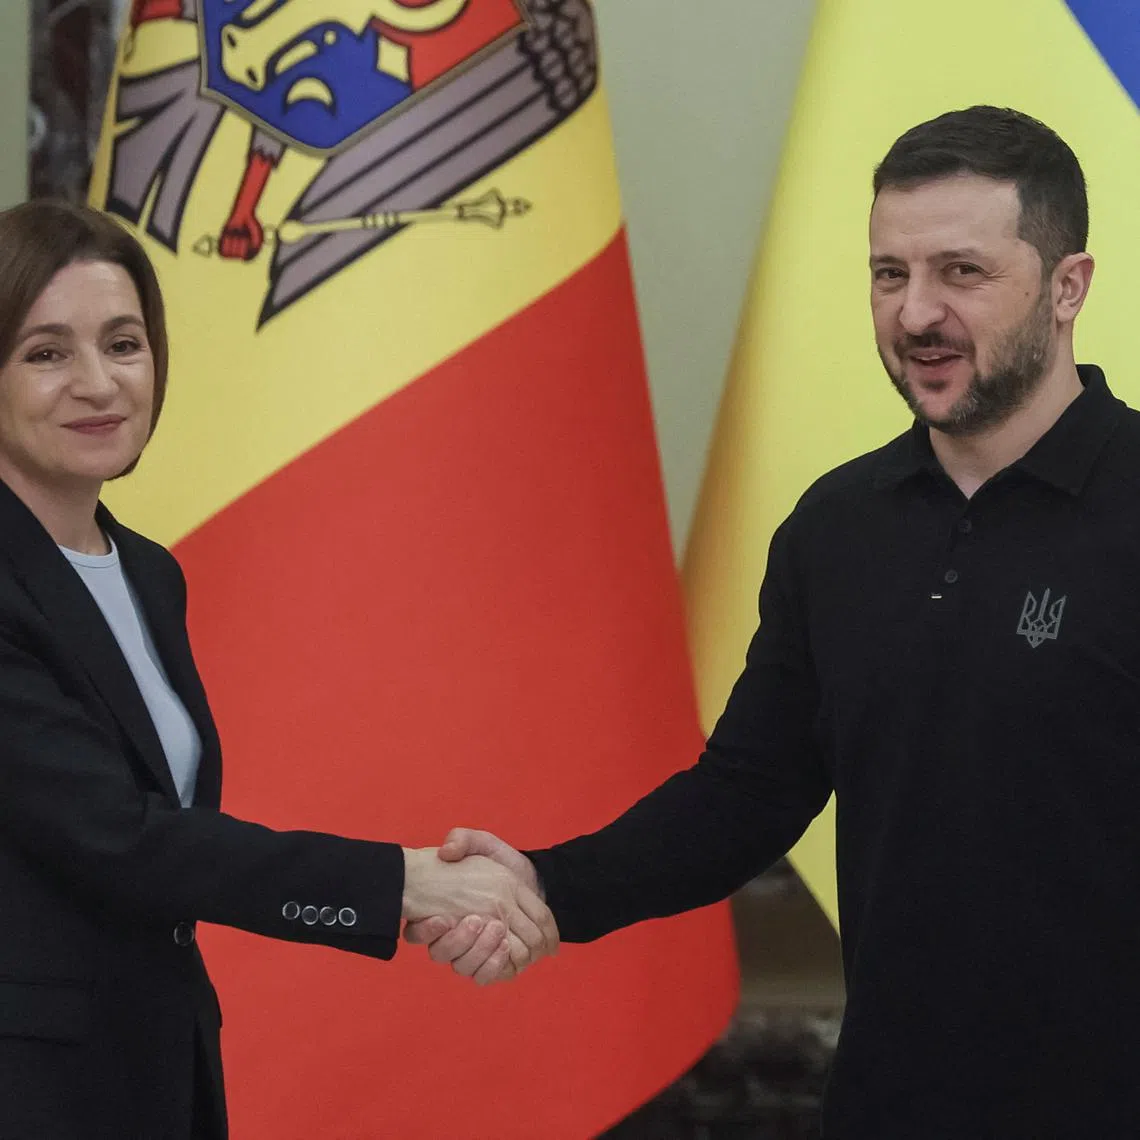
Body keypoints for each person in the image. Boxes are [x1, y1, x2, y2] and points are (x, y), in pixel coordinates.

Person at [409, 105, 1140, 1136]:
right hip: (889, 1104)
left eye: (961, 273)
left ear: (1068, 287)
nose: (915, 313)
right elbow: (747, 795)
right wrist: (547, 885)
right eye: (889, 274)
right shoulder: (837, 529)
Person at [0, 199, 558, 1140]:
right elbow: (119, 838)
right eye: (46, 352)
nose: (98, 383)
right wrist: (403, 885)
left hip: (159, 1067)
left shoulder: (146, 573)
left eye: (124, 344)